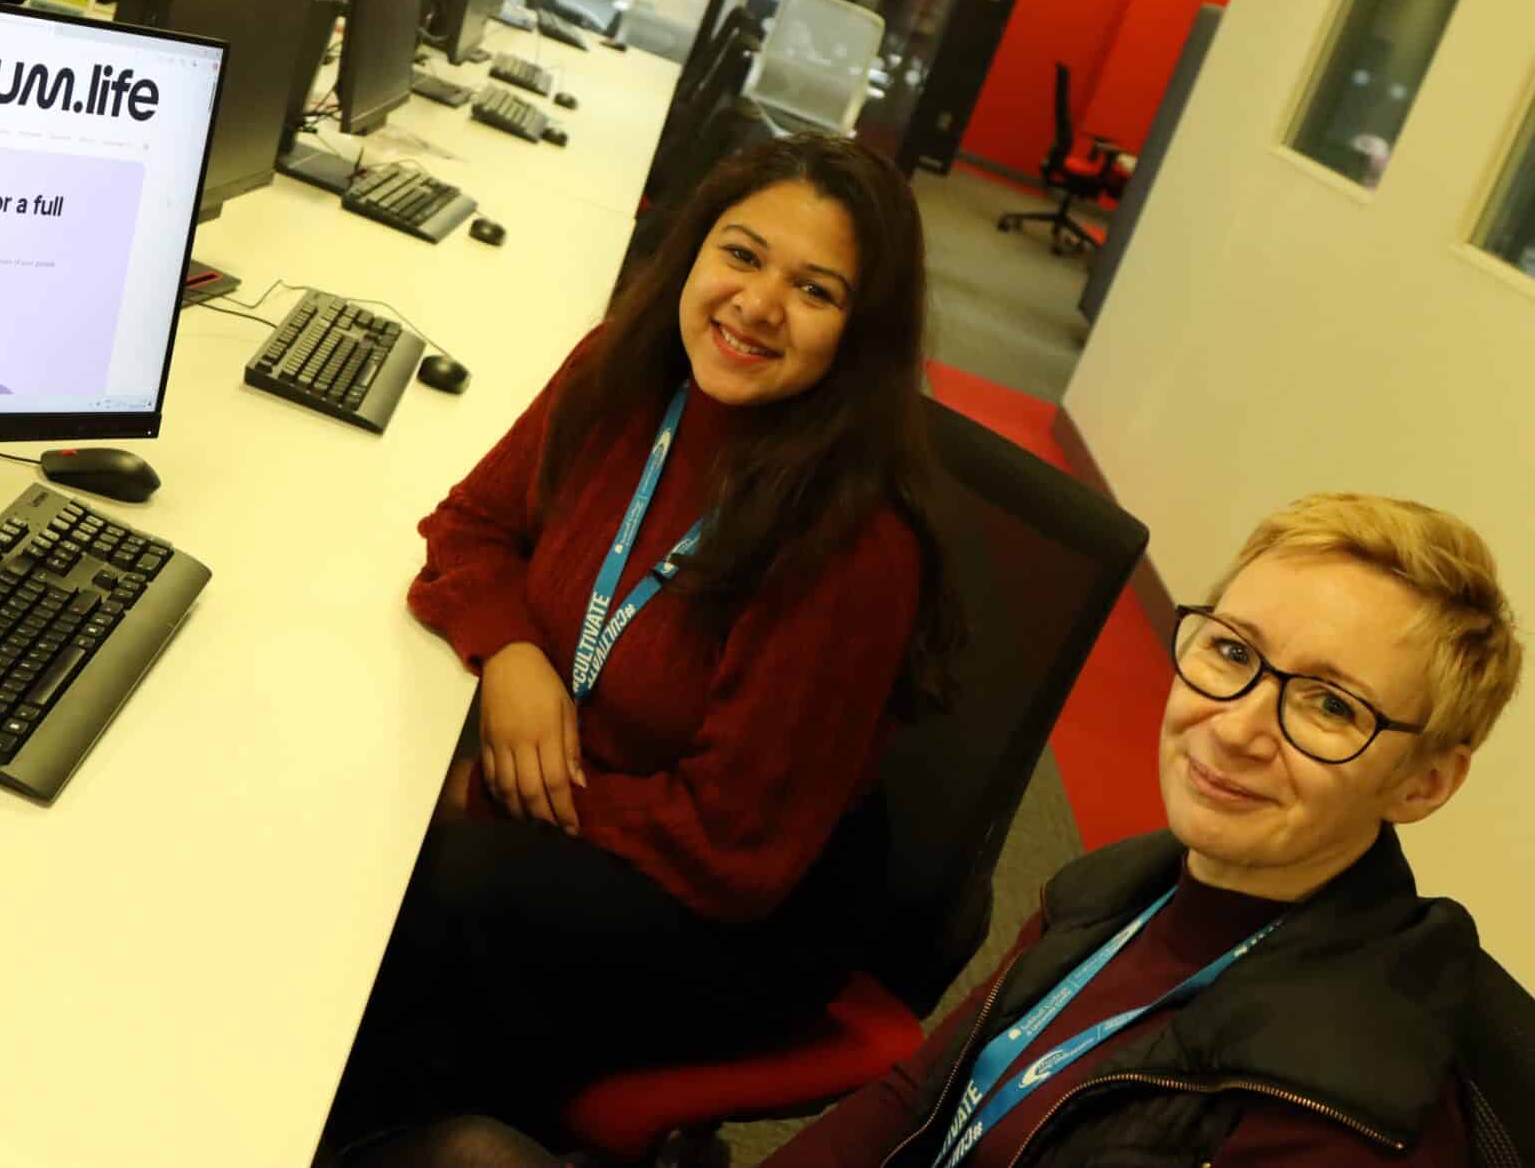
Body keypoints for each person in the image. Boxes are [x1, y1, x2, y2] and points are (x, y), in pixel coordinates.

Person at [358, 492, 1526, 1167]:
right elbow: (914, 1098)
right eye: (1230, 653)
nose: (1234, 726)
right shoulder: (1131, 887)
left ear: (1423, 783)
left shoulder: (1330, 1131)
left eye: (1327, 705)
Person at [316, 133, 959, 1164]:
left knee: (425, 885)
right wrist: (512, 656)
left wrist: (493, 788)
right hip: (593, 786)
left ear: (859, 333)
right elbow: (468, 529)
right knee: (370, 812)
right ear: (693, 250)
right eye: (740, 255)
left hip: (724, 907)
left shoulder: (850, 548)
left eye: (815, 290)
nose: (754, 305)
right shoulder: (620, 374)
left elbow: (726, 851)